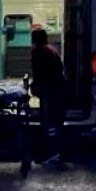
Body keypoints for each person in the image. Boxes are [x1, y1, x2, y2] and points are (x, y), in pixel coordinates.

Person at [30, 28, 66, 164]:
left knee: (49, 121)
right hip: (59, 89)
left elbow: (40, 73)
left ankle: (51, 152)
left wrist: (35, 87)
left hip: (51, 91)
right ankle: (55, 151)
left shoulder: (39, 52)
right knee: (55, 121)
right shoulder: (51, 50)